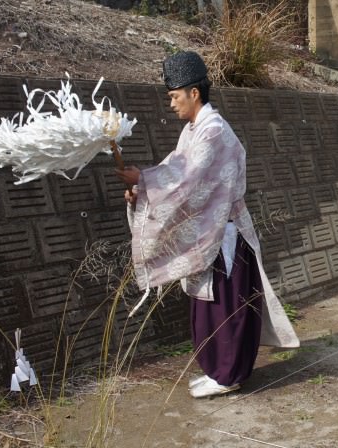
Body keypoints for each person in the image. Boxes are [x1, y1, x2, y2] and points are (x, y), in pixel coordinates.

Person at [116, 51, 299, 398]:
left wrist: (145, 179)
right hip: (211, 232)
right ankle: (221, 371)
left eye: (174, 96)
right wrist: (142, 190)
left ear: (193, 93)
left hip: (223, 235)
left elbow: (188, 177)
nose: (171, 104)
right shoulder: (195, 130)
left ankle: (228, 374)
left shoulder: (213, 131)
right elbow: (175, 168)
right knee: (210, 306)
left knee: (226, 307)